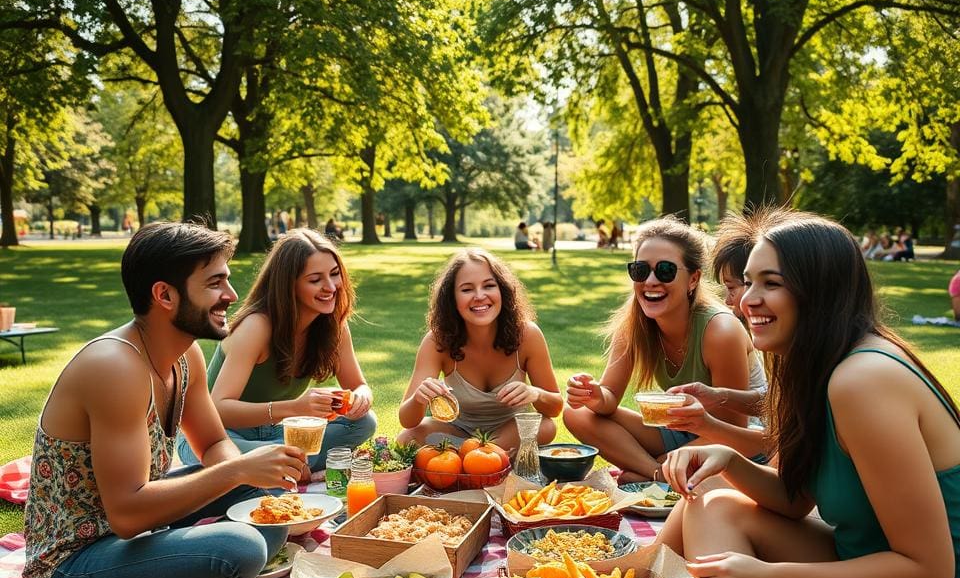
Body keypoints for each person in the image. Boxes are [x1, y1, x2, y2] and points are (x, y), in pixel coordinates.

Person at [657, 211, 960, 578]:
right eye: (747, 282)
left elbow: (930, 572)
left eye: (771, 283)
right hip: (857, 560)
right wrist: (729, 459)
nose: (747, 301)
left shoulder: (864, 379)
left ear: (820, 292)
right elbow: (795, 500)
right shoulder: (813, 362)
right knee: (711, 492)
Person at [23, 222, 305, 578]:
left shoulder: (184, 353)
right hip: (73, 567)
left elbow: (212, 444)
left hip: (135, 538)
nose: (231, 295)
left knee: (267, 509)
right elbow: (128, 515)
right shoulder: (115, 367)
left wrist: (248, 475)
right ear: (165, 295)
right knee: (243, 544)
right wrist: (238, 472)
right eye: (215, 283)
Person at [564, 216, 754, 482]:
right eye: (641, 270)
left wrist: (671, 457)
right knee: (577, 413)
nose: (650, 281)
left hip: (739, 441)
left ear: (693, 279)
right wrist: (594, 395)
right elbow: (607, 402)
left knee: (682, 460)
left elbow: (734, 430)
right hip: (681, 428)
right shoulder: (634, 323)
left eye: (665, 270)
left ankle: (656, 472)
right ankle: (658, 475)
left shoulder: (720, 331)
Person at [176, 229, 375, 474]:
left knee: (363, 423)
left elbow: (359, 385)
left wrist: (361, 399)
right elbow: (218, 409)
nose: (331, 287)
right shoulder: (256, 326)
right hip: (215, 436)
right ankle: (283, 462)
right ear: (288, 285)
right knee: (264, 462)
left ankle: (281, 461)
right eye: (315, 280)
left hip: (279, 430)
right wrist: (295, 407)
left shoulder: (334, 327)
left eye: (335, 274)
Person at [398, 248, 562, 451]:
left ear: (502, 290)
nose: (479, 296)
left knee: (545, 426)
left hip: (511, 431)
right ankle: (487, 457)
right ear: (452, 299)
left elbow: (554, 408)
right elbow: (407, 420)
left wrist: (534, 393)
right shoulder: (437, 342)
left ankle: (474, 456)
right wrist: (419, 397)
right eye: (467, 289)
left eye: (489, 286)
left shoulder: (527, 335)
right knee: (408, 438)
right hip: (459, 431)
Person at [662, 211, 773, 458]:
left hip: (746, 441)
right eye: (748, 283)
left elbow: (772, 441)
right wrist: (718, 397)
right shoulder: (780, 349)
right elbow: (774, 403)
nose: (734, 301)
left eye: (771, 283)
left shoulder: (851, 374)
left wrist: (659, 468)